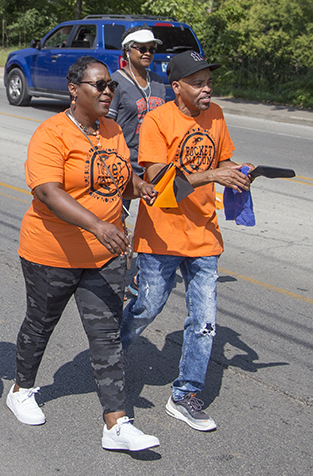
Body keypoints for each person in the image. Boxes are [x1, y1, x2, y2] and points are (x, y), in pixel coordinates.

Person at [6, 56, 161, 452]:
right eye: (99, 85)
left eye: (111, 85)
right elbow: (47, 191)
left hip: (104, 254)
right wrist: (97, 225)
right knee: (40, 324)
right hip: (51, 252)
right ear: (75, 90)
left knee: (107, 334)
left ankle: (116, 423)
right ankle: (22, 389)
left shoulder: (111, 130)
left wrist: (137, 187)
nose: (108, 91)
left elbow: (113, 180)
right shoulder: (52, 132)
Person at [121, 50, 254, 432]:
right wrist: (215, 174)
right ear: (177, 87)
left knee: (205, 321)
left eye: (209, 82)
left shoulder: (216, 116)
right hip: (162, 233)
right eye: (198, 83)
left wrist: (239, 171)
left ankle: (185, 394)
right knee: (146, 307)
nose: (206, 88)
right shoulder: (157, 121)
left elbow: (224, 161)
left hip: (204, 233)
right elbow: (162, 180)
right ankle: (109, 356)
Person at [107, 25, 167, 297]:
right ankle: (112, 277)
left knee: (158, 223)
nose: (147, 52)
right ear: (127, 50)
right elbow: (106, 124)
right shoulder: (116, 82)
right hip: (125, 164)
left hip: (154, 164)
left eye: (151, 48)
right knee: (116, 221)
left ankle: (141, 277)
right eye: (141, 48)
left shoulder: (158, 82)